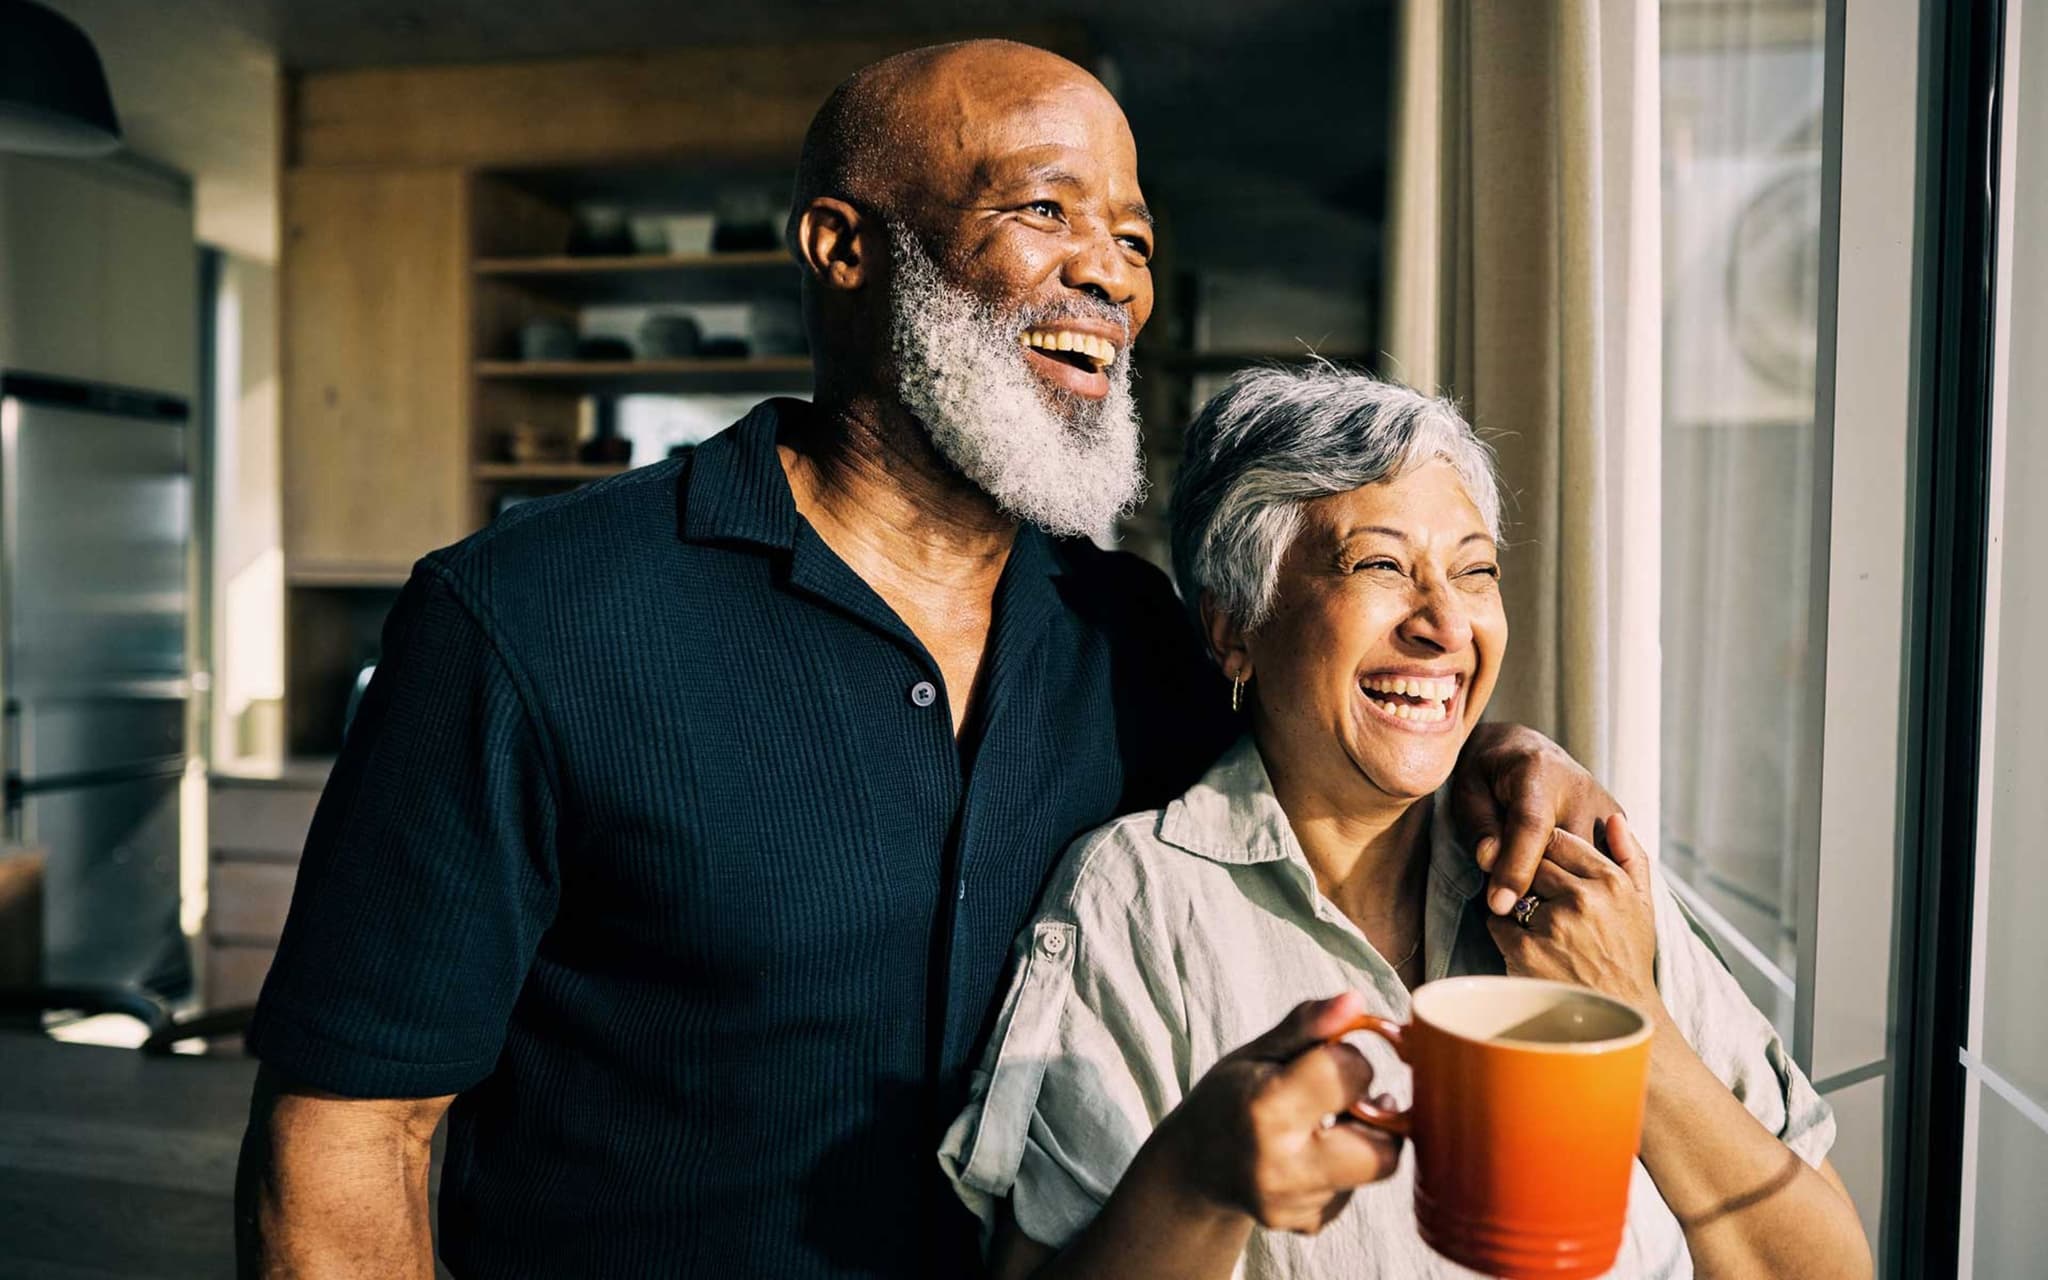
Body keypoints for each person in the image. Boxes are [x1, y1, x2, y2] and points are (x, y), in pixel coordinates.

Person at [236, 43, 1614, 1279]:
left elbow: (1336, 765)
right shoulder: (527, 619)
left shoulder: (1136, 639)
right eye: (1041, 209)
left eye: (1133, 237)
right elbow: (354, 1138)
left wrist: (1505, 757)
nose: (1109, 272)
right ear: (844, 247)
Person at [943, 367, 1873, 1279]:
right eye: (1382, 565)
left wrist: (1634, 1021)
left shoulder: (1585, 870)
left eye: (1475, 573)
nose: (1446, 625)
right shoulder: (1137, 900)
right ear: (1234, 628)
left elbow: (1828, 1268)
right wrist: (1201, 1182)